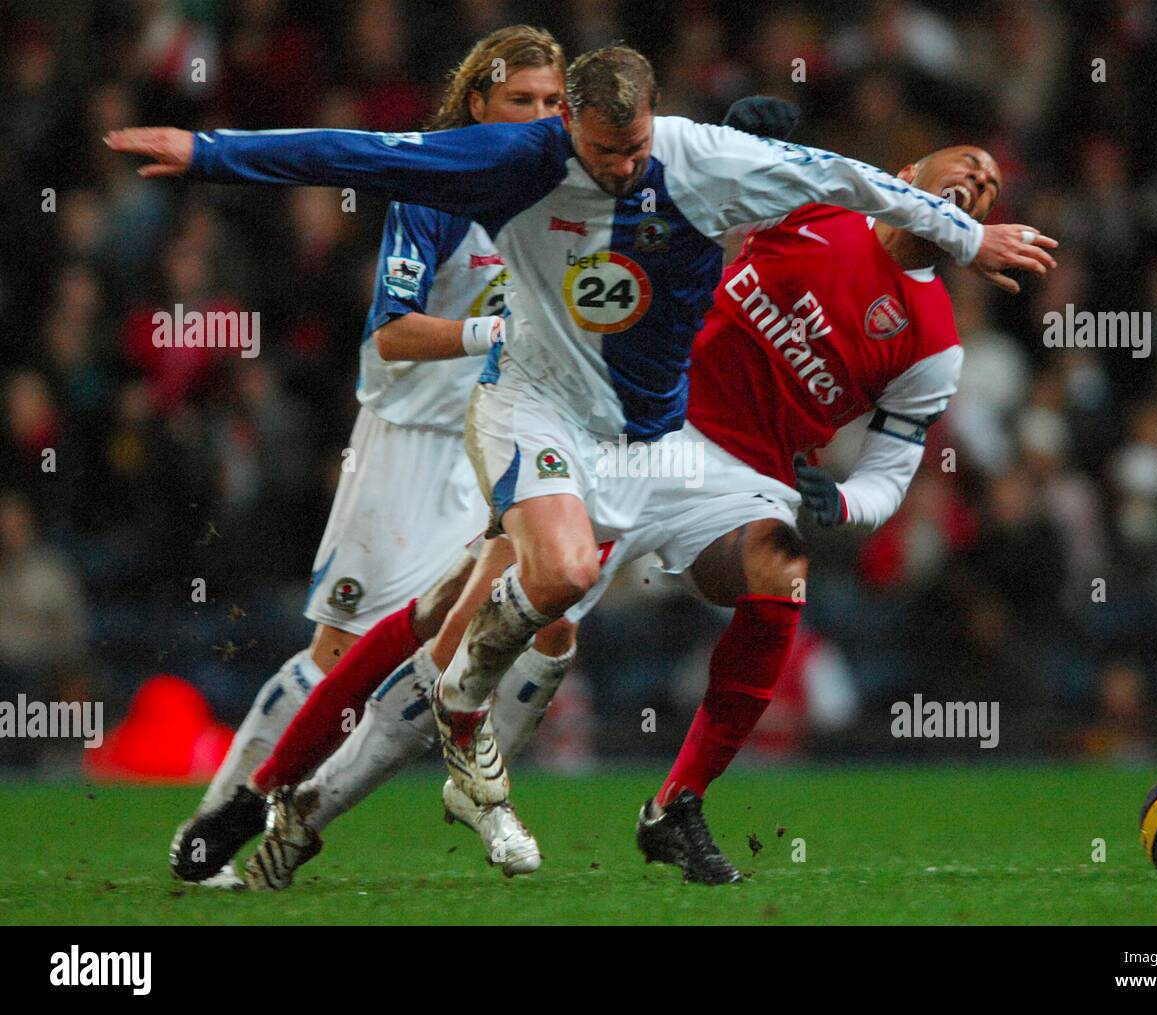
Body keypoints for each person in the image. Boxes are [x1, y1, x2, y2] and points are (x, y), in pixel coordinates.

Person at [107, 43, 1055, 875]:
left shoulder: (907, 318)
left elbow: (856, 210)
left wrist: (842, 498)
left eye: (986, 187)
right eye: (958, 172)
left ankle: (671, 805)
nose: (627, 167)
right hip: (577, 418)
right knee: (460, 613)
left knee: (777, 575)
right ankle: (286, 802)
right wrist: (206, 153)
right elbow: (357, 152)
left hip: (707, 461)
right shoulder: (538, 161)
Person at [168, 25, 577, 886]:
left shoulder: (565, 189)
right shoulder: (431, 188)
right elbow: (391, 335)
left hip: (500, 440)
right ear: (477, 105)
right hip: (407, 444)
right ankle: (220, 819)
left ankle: (348, 803)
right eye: (520, 102)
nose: (538, 120)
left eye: (551, 104)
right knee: (335, 655)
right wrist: (495, 330)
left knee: (521, 632)